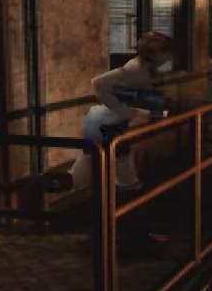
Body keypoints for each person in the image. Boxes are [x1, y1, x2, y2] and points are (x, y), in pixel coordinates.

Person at [69, 31, 173, 191]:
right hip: (104, 120)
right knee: (95, 156)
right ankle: (65, 183)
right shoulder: (134, 69)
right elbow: (98, 82)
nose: (167, 58)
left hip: (109, 119)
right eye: (166, 54)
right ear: (155, 53)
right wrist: (122, 109)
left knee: (117, 152)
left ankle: (127, 183)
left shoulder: (142, 69)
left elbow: (136, 99)